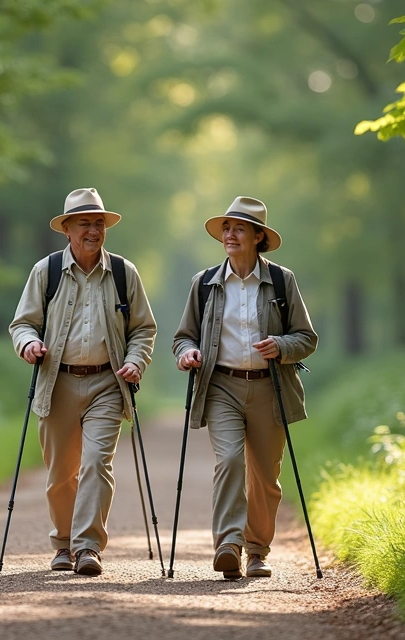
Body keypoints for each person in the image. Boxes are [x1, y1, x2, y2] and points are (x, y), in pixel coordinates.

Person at [9, 187, 157, 576]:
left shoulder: (123, 273)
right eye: (84, 224)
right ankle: (63, 542)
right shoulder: (46, 271)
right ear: (67, 229)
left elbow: (144, 329)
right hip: (57, 382)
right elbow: (22, 323)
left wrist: (135, 361)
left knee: (96, 463)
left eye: (98, 223)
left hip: (108, 383)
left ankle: (88, 546)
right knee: (61, 473)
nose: (93, 231)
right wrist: (29, 344)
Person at [173, 195, 318, 579]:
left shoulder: (282, 281)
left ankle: (257, 551)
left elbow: (306, 338)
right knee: (230, 461)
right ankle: (228, 544)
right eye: (227, 228)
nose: (230, 235)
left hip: (270, 389)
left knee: (265, 479)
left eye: (240, 229)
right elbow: (183, 337)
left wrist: (281, 346)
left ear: (258, 237)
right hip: (221, 387)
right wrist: (188, 353)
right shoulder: (204, 283)